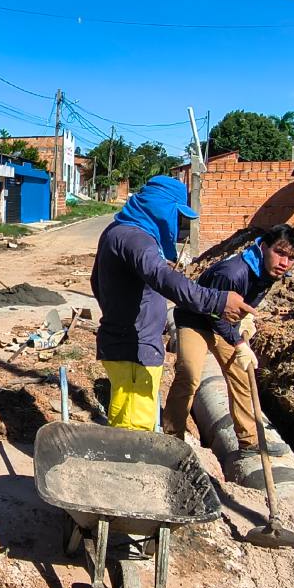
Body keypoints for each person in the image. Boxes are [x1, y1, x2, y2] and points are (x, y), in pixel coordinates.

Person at [91, 176, 256, 432]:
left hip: (124, 343)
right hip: (135, 350)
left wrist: (121, 313)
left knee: (126, 420)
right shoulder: (137, 239)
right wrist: (218, 300)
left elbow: (96, 283)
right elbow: (164, 279)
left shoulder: (117, 231)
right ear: (159, 207)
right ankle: (133, 470)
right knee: (135, 431)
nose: (177, 224)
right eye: (175, 215)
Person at [163, 224, 294, 459]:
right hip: (196, 319)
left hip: (225, 322)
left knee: (242, 376)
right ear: (264, 246)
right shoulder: (232, 273)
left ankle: (249, 441)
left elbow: (236, 309)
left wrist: (245, 320)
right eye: (280, 253)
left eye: (291, 258)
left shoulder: (270, 270)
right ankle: (171, 439)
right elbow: (214, 313)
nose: (285, 262)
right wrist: (238, 343)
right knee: (189, 375)